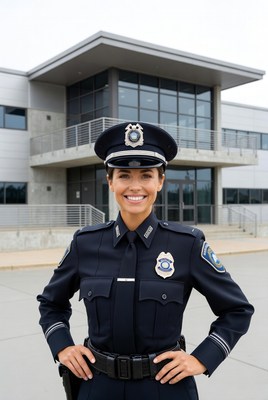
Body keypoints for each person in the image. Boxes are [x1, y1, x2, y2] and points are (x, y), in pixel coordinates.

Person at [37, 122, 254, 400]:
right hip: (97, 386)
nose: (135, 186)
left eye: (147, 175)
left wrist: (202, 358)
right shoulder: (85, 243)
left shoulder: (186, 244)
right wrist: (62, 346)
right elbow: (51, 303)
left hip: (164, 388)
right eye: (124, 175)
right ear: (110, 181)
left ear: (160, 182)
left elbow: (237, 310)